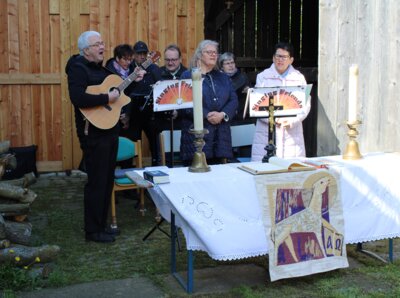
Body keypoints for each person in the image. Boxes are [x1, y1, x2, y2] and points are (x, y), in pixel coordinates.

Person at [65, 31, 143, 243]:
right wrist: (105, 97)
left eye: (102, 42)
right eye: (97, 43)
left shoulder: (102, 69)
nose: (102, 46)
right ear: (86, 49)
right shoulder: (77, 68)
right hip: (93, 132)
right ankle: (92, 231)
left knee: (107, 179)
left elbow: (120, 95)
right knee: (97, 182)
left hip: (110, 129)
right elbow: (78, 97)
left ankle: (102, 225)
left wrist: (134, 81)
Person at [179, 40, 238, 165]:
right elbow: (185, 105)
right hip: (196, 138)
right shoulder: (188, 76)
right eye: (209, 52)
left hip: (221, 138)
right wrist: (206, 115)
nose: (213, 55)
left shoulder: (223, 77)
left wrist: (222, 114)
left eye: (215, 53)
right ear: (200, 55)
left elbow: (233, 100)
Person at [251, 42, 310, 161]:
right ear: (273, 58)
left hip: (291, 134)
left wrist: (292, 120)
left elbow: (306, 105)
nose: (280, 60)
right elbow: (256, 104)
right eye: (277, 56)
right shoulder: (263, 77)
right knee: (265, 172)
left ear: (291, 60)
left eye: (284, 57)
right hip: (266, 134)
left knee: (291, 171)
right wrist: (272, 119)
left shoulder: (299, 78)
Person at [127, 41, 162, 166]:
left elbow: (160, 86)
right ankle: (132, 167)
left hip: (150, 109)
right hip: (133, 110)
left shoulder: (153, 68)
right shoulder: (129, 68)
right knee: (133, 141)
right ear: (134, 55)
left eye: (144, 53)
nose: (142, 56)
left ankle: (156, 165)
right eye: (139, 53)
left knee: (154, 140)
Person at [105, 44, 135, 131]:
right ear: (117, 58)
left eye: (130, 60)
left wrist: (127, 113)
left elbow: (130, 94)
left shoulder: (132, 71)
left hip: (127, 114)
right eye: (125, 59)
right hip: (110, 113)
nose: (128, 62)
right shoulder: (108, 71)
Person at [158, 44, 188, 131]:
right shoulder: (158, 73)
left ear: (180, 59)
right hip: (162, 123)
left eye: (173, 60)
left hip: (183, 123)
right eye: (167, 60)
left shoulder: (187, 74)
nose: (170, 63)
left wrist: (178, 112)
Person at [218, 52, 252, 125]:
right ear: (222, 66)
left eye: (232, 62)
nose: (231, 65)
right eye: (227, 63)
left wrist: (249, 90)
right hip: (224, 116)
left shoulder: (242, 77)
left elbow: (251, 92)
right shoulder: (218, 79)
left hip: (241, 116)